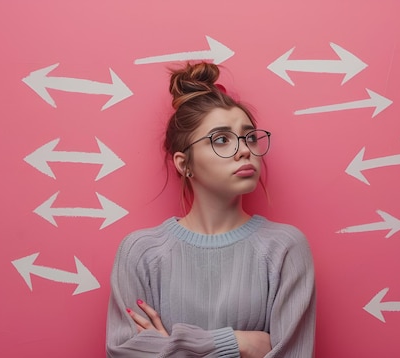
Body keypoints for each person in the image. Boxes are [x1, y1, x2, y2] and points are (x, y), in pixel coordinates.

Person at [106, 62, 316, 358]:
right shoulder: (140, 252)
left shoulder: (285, 248)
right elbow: (125, 353)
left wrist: (169, 348)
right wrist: (238, 343)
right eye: (221, 139)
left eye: (250, 136)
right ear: (184, 163)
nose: (244, 149)